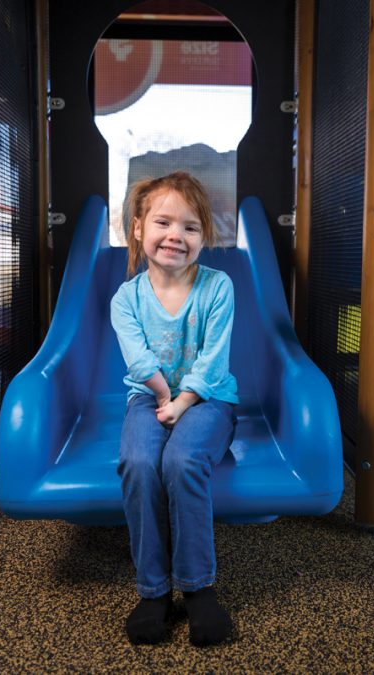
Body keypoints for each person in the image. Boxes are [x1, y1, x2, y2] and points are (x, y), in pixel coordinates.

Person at [110, 171, 238, 647]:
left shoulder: (217, 286)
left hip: (210, 396)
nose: (175, 236)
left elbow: (214, 358)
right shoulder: (127, 297)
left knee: (182, 461)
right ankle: (153, 590)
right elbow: (139, 359)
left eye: (190, 227)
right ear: (139, 228)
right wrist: (164, 397)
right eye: (163, 222)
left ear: (203, 237)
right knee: (141, 461)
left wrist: (184, 401)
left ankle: (199, 587)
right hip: (149, 392)